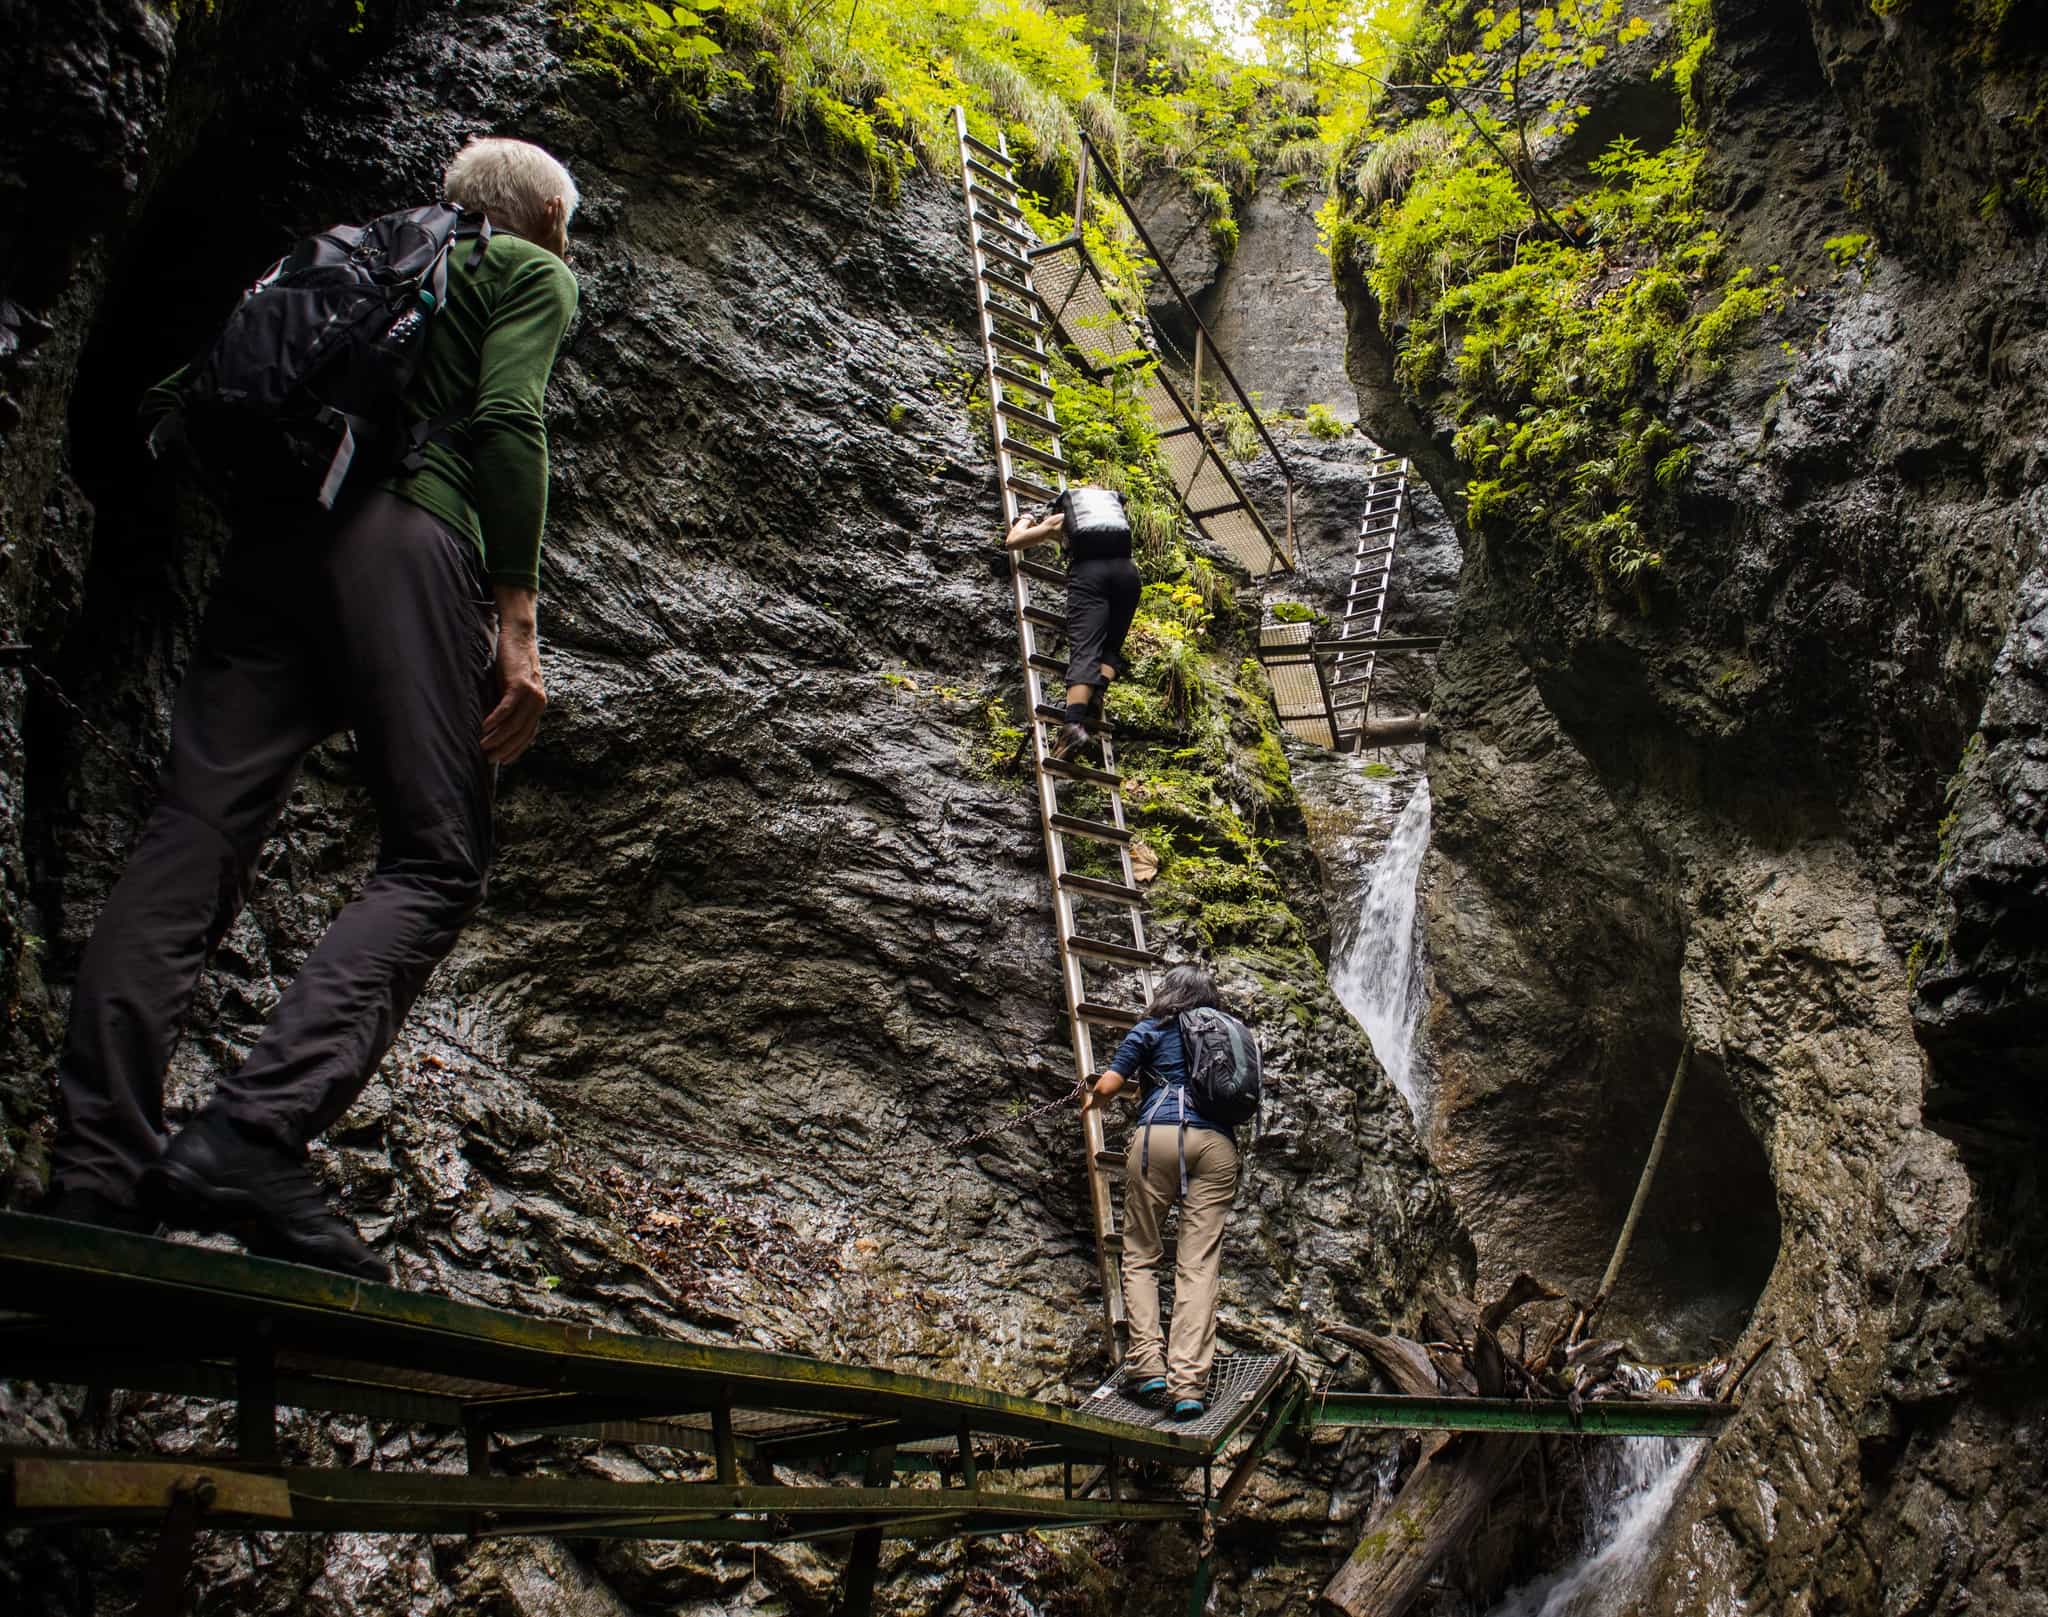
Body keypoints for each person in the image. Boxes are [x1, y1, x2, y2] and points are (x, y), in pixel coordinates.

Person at [33, 136, 581, 1282]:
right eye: (563, 225)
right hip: (405, 541)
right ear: (540, 213)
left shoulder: (349, 255)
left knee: (193, 835)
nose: (566, 243)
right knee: (437, 857)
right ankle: (250, 1133)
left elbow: (186, 391)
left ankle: (95, 1171)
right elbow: (506, 422)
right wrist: (518, 623)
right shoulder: (526, 268)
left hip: (273, 551)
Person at [1079, 963, 1239, 1421]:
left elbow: (1110, 1084)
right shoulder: (1224, 1034)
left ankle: (1148, 1366)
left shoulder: (1153, 1027)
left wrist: (1092, 1099)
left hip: (1160, 1138)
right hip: (1217, 1148)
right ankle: (1188, 1384)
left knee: (1141, 1253)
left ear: (1169, 993)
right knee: (1198, 1265)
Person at [1004, 481, 1141, 761]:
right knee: (1110, 647)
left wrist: (1026, 518)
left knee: (1085, 648)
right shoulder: (1114, 520)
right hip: (1128, 574)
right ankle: (1094, 697)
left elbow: (1013, 541)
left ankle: (1073, 726)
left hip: (1090, 576)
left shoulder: (1063, 518)